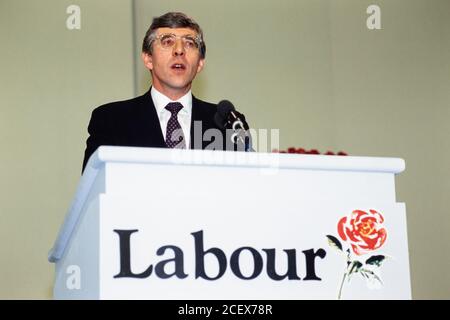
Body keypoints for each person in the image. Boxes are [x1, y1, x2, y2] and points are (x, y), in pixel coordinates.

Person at [82, 12, 237, 172]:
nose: (179, 50)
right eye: (168, 41)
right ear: (148, 59)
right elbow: (93, 188)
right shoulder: (111, 120)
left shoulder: (226, 123)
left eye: (189, 43)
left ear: (199, 63)